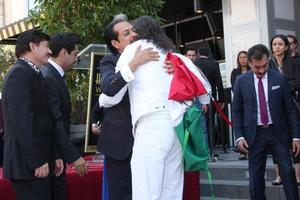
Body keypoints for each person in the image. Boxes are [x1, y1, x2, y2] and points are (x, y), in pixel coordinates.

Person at [100, 15, 210, 200]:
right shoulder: (174, 56)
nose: (132, 35)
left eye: (133, 31)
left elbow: (112, 94)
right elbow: (205, 93)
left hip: (151, 127)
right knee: (171, 191)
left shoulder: (134, 50)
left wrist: (104, 100)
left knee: (146, 192)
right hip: (176, 128)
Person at [97, 14, 163, 200]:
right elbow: (109, 87)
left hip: (149, 139)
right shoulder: (109, 61)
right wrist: (134, 63)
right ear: (115, 43)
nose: (133, 34)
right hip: (121, 143)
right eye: (126, 33)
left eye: (133, 30)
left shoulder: (152, 54)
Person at [232, 44, 300, 200]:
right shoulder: (241, 81)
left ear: (268, 60)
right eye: (257, 67)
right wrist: (239, 135)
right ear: (249, 63)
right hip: (254, 135)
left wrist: (296, 136)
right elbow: (236, 110)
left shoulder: (279, 78)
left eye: (264, 66)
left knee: (288, 172)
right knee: (256, 177)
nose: (262, 71)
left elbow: (290, 109)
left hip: (278, 133)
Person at [1, 29, 54, 200]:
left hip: (35, 164)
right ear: (32, 46)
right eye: (46, 46)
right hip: (28, 166)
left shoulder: (32, 73)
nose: (50, 51)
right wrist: (36, 161)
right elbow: (23, 123)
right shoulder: (19, 74)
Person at [40, 32, 88, 200]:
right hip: (51, 157)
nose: (77, 59)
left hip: (56, 156)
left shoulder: (54, 75)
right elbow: (55, 121)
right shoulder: (49, 77)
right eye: (75, 54)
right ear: (63, 53)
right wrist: (72, 156)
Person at [267, 34, 300, 186]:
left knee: (295, 139)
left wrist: (281, 86)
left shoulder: (294, 63)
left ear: (286, 47)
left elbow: (297, 82)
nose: (277, 47)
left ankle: (298, 176)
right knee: (276, 141)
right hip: (273, 108)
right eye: (274, 44)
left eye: (280, 44)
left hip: (292, 105)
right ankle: (279, 176)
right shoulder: (267, 64)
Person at [195, 46, 226, 156]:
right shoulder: (213, 63)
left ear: (198, 53)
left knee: (200, 124)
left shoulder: (195, 63)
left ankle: (203, 148)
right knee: (210, 122)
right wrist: (221, 99)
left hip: (198, 97)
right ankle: (212, 148)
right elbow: (219, 82)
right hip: (210, 96)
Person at [230, 50, 250, 160]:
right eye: (241, 57)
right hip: (240, 102)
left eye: (245, 57)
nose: (243, 59)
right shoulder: (234, 72)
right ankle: (242, 151)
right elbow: (234, 87)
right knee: (240, 125)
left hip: (251, 103)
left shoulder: (253, 70)